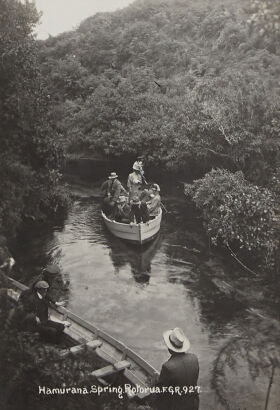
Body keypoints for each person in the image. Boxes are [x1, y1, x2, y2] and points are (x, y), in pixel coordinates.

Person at [155, 327, 199, 410]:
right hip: (194, 404)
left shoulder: (168, 367)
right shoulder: (194, 358)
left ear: (170, 348)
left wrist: (154, 383)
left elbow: (160, 390)